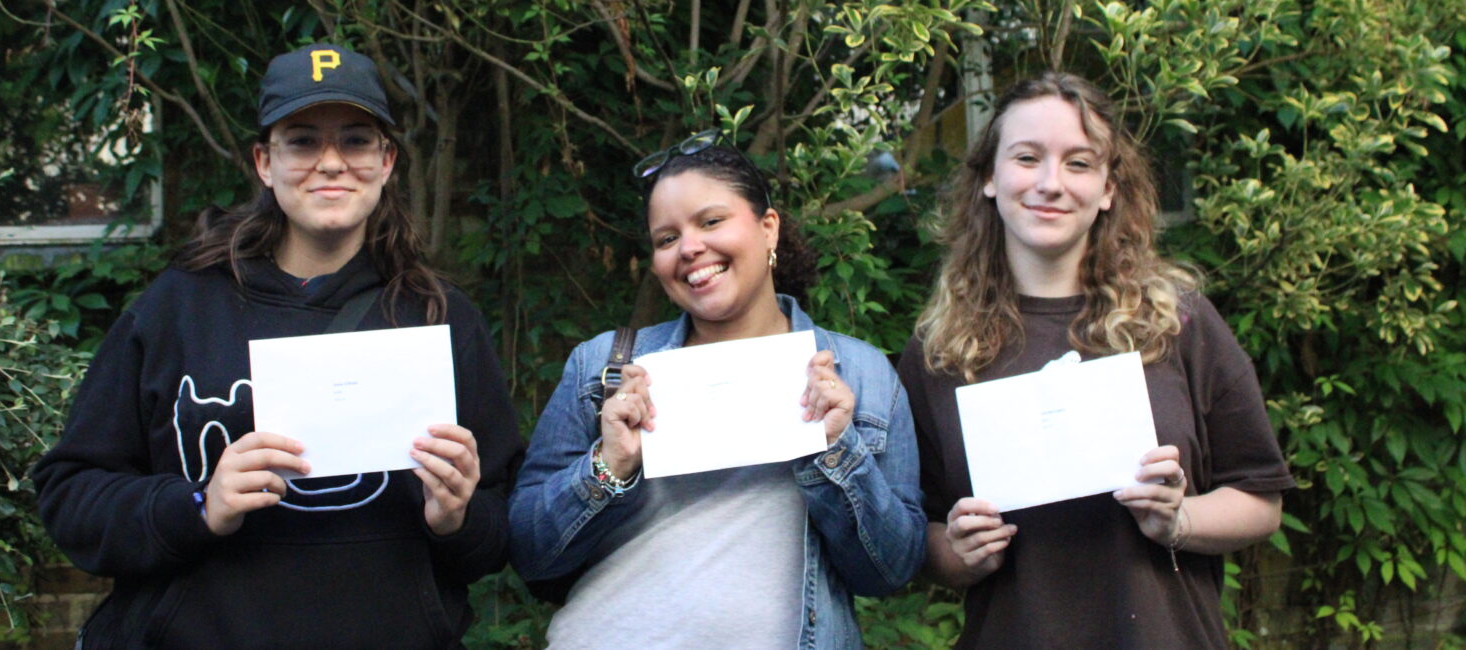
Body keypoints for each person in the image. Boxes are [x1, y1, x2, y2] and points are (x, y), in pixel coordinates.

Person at [33, 43, 523, 648]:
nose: (331, 163)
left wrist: (458, 518)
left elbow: (501, 530)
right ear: (264, 161)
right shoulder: (178, 307)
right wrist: (198, 505)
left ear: (387, 159)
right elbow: (70, 495)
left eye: (355, 139)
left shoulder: (442, 319)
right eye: (302, 141)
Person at [896, 71, 1295, 648]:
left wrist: (1178, 520)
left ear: (1109, 187)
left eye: (1079, 163)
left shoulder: (1177, 323)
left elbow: (1261, 500)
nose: (1051, 183)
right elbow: (916, 535)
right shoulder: (940, 349)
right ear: (989, 177)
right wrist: (957, 554)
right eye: (1027, 157)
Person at [508, 131, 925, 648]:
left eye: (711, 221)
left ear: (768, 228)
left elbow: (890, 571)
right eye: (666, 238)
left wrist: (837, 449)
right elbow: (530, 555)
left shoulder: (860, 374)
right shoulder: (605, 369)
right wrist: (608, 466)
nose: (689, 248)